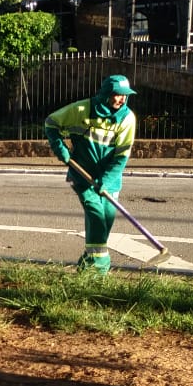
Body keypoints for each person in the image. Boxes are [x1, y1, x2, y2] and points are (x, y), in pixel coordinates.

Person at [44, 74, 137, 274]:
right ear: (106, 94)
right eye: (117, 95)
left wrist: (106, 180)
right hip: (82, 176)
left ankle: (86, 266)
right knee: (96, 217)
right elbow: (51, 122)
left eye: (125, 95)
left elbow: (121, 157)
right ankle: (100, 270)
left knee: (105, 224)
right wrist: (60, 148)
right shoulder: (82, 109)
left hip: (109, 181)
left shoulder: (127, 118)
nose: (121, 99)